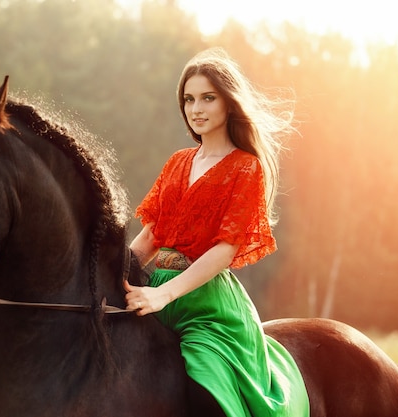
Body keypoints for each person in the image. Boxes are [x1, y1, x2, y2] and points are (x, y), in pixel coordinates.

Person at [124, 48, 310, 416]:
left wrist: (164, 294)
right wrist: (113, 274)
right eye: (189, 99)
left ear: (229, 103)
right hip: (155, 285)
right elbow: (149, 237)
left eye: (208, 98)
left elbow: (225, 250)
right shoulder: (178, 162)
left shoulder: (246, 168)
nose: (196, 109)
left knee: (206, 383)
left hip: (207, 306)